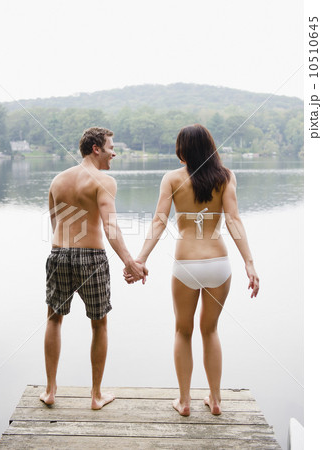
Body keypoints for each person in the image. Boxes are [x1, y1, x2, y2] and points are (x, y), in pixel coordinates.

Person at [124, 124, 259, 416]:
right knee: (210, 330)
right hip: (218, 263)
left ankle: (184, 402)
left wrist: (141, 259)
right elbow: (234, 221)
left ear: (182, 150)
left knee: (183, 331)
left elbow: (159, 222)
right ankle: (216, 400)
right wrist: (249, 262)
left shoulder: (172, 178)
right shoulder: (226, 177)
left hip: (186, 265)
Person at [40, 127, 147, 409]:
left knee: (53, 319)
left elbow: (54, 224)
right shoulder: (104, 181)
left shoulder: (57, 180)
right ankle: (96, 396)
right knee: (99, 324)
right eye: (111, 147)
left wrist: (63, 249)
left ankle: (50, 391)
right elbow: (110, 227)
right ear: (96, 148)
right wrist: (130, 262)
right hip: (92, 258)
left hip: (59, 253)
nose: (115, 152)